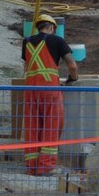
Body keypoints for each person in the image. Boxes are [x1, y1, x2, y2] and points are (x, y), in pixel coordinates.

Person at [22, 14, 78, 175]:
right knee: (51, 126)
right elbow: (72, 65)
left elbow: (26, 66)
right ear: (52, 27)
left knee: (32, 126)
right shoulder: (57, 40)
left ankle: (31, 166)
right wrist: (72, 78)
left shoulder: (26, 42)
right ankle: (46, 166)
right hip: (49, 89)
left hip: (30, 90)